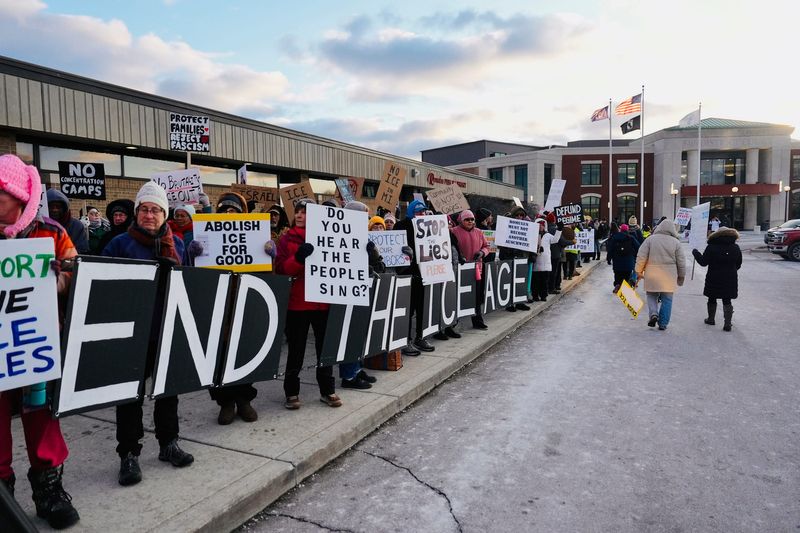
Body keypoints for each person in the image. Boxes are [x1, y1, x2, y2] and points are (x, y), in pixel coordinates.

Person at [0, 154, 81, 529]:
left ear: (18, 196)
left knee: (41, 414)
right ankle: (3, 493)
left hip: (36, 344)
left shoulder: (51, 233)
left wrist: (58, 278)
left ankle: (49, 490)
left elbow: (75, 275)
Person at [102, 181, 194, 486]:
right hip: (132, 331)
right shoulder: (119, 244)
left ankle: (169, 443)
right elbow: (102, 284)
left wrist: (176, 274)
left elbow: (189, 286)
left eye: (155, 210)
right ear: (136, 212)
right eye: (144, 209)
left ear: (164, 214)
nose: (149, 215)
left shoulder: (177, 244)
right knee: (129, 395)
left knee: (168, 391)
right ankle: (128, 453)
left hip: (165, 327)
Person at [275, 199, 342, 409]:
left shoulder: (329, 236)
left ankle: (327, 390)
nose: (300, 215)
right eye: (298, 212)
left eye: (305, 212)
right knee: (296, 349)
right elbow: (281, 269)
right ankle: (291, 392)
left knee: (325, 348)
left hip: (323, 303)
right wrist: (299, 258)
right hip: (298, 304)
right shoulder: (286, 240)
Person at [206, 191, 262, 424]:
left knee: (243, 352)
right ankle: (225, 402)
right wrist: (195, 254)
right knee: (219, 356)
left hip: (244, 301)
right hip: (218, 304)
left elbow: (267, 274)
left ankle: (244, 400)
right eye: (224, 211)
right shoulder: (207, 237)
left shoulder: (254, 236)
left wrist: (269, 253)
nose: (228, 215)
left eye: (233, 211)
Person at [337, 201, 378, 390]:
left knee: (359, 332)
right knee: (349, 333)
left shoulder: (361, 236)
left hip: (358, 288)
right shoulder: (340, 236)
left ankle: (357, 367)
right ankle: (348, 375)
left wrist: (372, 255)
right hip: (344, 292)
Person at [394, 199, 436, 353]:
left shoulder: (429, 226)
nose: (422, 214)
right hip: (408, 275)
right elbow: (394, 250)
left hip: (425, 274)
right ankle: (405, 341)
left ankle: (420, 337)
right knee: (408, 310)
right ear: (411, 212)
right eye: (419, 212)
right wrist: (405, 252)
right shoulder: (401, 226)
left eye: (424, 212)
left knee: (422, 308)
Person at [634, 218, 687, 331]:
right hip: (669, 275)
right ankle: (663, 323)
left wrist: (638, 270)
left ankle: (653, 313)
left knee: (652, 295)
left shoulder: (650, 240)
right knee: (667, 299)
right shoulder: (676, 242)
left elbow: (641, 256)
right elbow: (681, 262)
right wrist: (681, 276)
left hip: (652, 273)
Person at [692, 227, 742, 331]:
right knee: (727, 299)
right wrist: (730, 269)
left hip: (713, 276)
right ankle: (727, 323)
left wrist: (695, 253)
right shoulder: (735, 247)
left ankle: (711, 319)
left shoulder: (711, 247)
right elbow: (738, 264)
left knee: (712, 297)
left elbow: (703, 262)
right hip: (730, 277)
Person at [450, 209, 490, 329]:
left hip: (476, 269)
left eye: (472, 219)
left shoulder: (479, 232)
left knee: (476, 297)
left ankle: (477, 320)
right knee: (457, 296)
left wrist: (482, 253)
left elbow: (486, 246)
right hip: (459, 269)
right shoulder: (453, 231)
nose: (470, 221)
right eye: (467, 219)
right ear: (461, 220)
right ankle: (453, 322)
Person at [498, 206, 532, 312]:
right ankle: (509, 304)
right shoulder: (506, 225)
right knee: (509, 281)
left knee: (520, 281)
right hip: (508, 257)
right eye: (517, 215)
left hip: (521, 257)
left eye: (521, 215)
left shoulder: (527, 227)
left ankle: (519, 302)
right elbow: (500, 243)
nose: (519, 217)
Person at [46, 188, 89, 254]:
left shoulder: (76, 226)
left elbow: (82, 250)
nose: (54, 210)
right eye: (51, 207)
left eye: (58, 207)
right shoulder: (36, 225)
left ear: (65, 208)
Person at [606, 222, 640, 293]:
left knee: (617, 274)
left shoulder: (614, 237)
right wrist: (635, 256)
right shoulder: (631, 238)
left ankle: (617, 284)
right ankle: (626, 287)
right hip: (629, 262)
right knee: (627, 275)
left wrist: (609, 259)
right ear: (627, 230)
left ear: (620, 230)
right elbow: (638, 247)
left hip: (617, 262)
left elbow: (610, 249)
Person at [531, 219, 553, 301]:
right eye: (539, 225)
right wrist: (537, 249)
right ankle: (535, 295)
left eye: (542, 225)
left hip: (545, 262)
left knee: (544, 280)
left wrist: (559, 230)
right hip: (536, 261)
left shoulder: (548, 235)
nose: (541, 227)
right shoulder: (533, 235)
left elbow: (555, 240)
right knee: (536, 281)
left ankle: (543, 295)